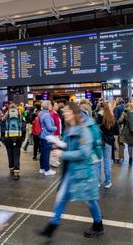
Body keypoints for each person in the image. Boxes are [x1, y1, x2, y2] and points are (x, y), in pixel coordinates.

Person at [40, 102, 104, 238]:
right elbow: (70, 146)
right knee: (62, 197)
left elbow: (84, 153)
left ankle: (98, 224)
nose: (64, 114)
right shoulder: (71, 127)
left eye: (66, 111)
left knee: (89, 199)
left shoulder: (83, 129)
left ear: (74, 113)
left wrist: (63, 153)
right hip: (73, 170)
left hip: (83, 170)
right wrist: (59, 145)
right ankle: (52, 226)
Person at [0, 103, 25, 180]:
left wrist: (3, 137)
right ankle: (16, 173)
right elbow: (23, 127)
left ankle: (11, 169)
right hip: (17, 137)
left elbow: (2, 128)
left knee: (9, 153)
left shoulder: (5, 117)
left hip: (8, 138)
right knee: (16, 154)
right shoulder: (20, 116)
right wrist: (23, 137)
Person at [96, 102, 118, 188]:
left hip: (98, 142)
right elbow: (116, 132)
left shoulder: (98, 118)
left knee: (97, 162)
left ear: (101, 109)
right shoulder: (112, 118)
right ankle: (108, 182)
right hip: (108, 142)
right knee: (107, 162)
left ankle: (97, 182)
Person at [39, 101, 57, 176]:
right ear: (47, 106)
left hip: (42, 136)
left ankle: (42, 168)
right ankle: (47, 170)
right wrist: (55, 128)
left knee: (43, 153)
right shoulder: (46, 115)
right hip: (47, 136)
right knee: (46, 153)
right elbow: (49, 127)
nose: (51, 105)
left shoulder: (41, 113)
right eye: (50, 104)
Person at [50, 101, 62, 167]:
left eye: (57, 105)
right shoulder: (52, 114)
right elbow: (52, 125)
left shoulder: (56, 113)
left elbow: (59, 124)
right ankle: (52, 161)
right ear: (52, 106)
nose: (57, 106)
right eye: (56, 105)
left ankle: (56, 160)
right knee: (54, 148)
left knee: (57, 147)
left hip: (57, 133)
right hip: (54, 133)